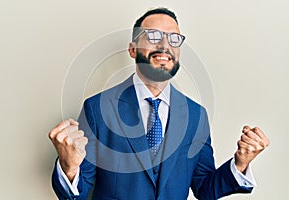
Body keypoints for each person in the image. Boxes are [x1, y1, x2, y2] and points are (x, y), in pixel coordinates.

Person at [48, 8, 269, 200]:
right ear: (133, 49)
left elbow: (205, 189)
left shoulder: (195, 115)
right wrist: (70, 167)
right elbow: (76, 195)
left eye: (174, 39)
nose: (165, 46)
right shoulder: (98, 108)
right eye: (153, 36)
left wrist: (240, 164)